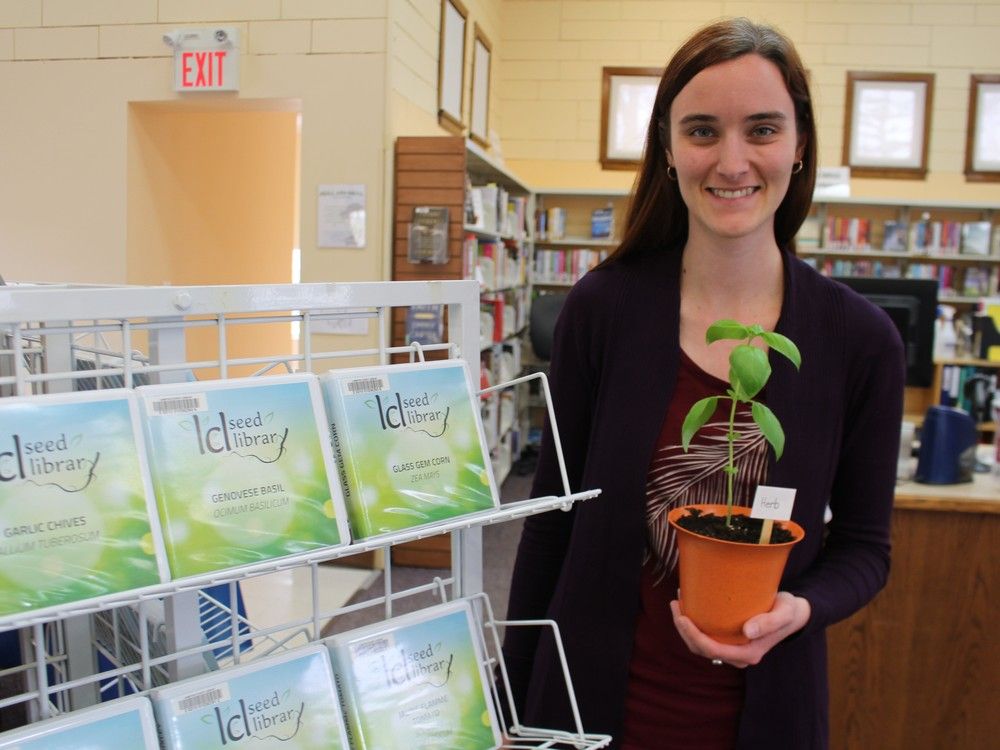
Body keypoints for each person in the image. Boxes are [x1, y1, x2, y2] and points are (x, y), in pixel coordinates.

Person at [502, 17, 905, 750]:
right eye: (701, 131)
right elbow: (551, 520)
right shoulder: (603, 310)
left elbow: (865, 549)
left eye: (761, 129)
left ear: (799, 144)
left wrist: (802, 607)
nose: (732, 160)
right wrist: (507, 703)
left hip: (766, 714)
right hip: (590, 707)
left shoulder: (861, 342)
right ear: (666, 148)